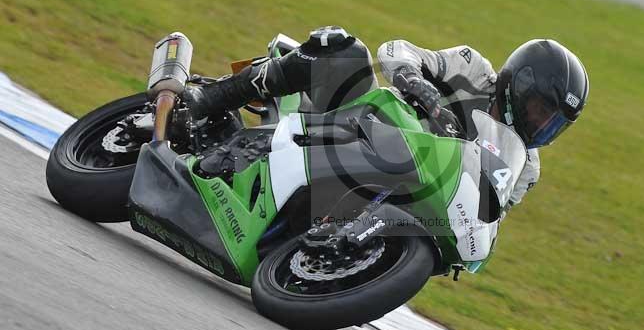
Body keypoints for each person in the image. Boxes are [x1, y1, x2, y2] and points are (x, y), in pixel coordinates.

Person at [186, 26, 589, 209]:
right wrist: (418, 83)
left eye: (554, 123)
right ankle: (211, 97)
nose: (541, 126)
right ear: (519, 84)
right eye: (540, 110)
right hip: (362, 121)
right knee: (344, 49)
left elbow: (488, 212)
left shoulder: (527, 168)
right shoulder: (472, 69)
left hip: (402, 187)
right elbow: (397, 49)